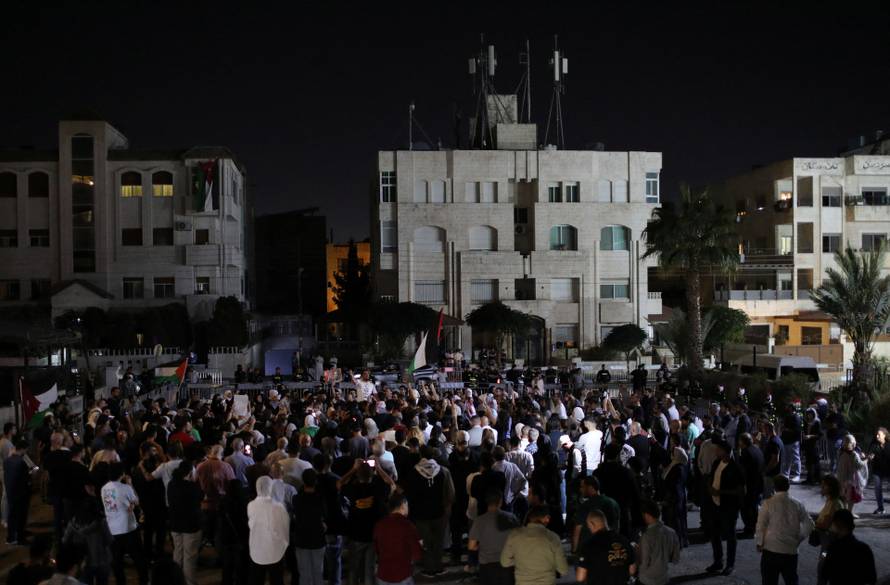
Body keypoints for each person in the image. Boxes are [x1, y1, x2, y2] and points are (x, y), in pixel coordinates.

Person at [402, 446, 455, 577]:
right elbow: (451, 493)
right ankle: (438, 566)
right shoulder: (444, 471)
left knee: (425, 541)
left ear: (421, 455)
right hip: (439, 512)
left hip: (420, 514)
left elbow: (409, 494)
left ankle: (428, 567)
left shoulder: (414, 472)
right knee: (438, 541)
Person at [755, 475, 814, 585]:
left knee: (769, 581)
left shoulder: (768, 503)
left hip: (771, 549)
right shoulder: (797, 504)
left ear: (774, 487)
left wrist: (759, 542)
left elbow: (760, 525)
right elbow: (809, 524)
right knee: (791, 580)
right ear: (788, 486)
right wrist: (799, 539)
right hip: (790, 550)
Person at [101, 462, 148, 585]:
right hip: (128, 528)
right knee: (138, 558)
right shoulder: (125, 488)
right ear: (121, 474)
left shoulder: (104, 488)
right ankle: (144, 581)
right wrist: (131, 484)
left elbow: (116, 503)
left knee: (117, 561)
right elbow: (137, 501)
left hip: (112, 529)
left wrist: (130, 504)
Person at [499, 505, 568, 585]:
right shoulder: (553, 537)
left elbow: (504, 562)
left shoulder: (514, 535)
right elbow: (563, 570)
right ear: (546, 518)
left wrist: (520, 560)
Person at [706, 439, 744, 576]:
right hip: (715, 504)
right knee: (714, 534)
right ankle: (718, 561)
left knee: (730, 535)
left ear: (725, 451)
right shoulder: (717, 463)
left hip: (729, 506)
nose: (716, 452)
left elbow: (740, 490)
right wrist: (710, 487)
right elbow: (711, 477)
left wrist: (720, 492)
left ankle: (730, 564)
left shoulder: (735, 468)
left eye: (718, 449)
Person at [468, 488, 519, 585]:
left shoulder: (479, 521)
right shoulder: (511, 518)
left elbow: (471, 546)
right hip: (508, 563)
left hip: (487, 564)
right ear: (500, 501)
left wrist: (483, 545)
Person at [575, 508, 636, 585]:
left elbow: (580, 577)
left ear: (591, 524)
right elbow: (632, 570)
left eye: (588, 526)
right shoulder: (624, 540)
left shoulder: (588, 545)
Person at [248, 475, 290, 585]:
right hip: (275, 549)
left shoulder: (251, 505)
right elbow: (284, 527)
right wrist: (284, 543)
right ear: (271, 487)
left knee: (257, 578)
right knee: (276, 579)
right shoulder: (278, 507)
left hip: (256, 548)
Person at [373, 493, 423, 585]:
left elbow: (376, 549)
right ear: (403, 505)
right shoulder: (407, 525)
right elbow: (417, 554)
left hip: (382, 575)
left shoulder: (379, 524)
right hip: (402, 575)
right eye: (407, 505)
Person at [168, 460, 203, 585]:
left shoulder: (171, 484)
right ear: (189, 472)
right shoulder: (192, 487)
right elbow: (200, 499)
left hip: (175, 524)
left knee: (178, 553)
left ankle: (176, 580)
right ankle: (190, 582)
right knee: (189, 556)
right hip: (190, 525)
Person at [64, 500, 114, 585]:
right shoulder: (101, 523)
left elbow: (65, 541)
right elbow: (109, 540)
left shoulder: (73, 523)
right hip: (101, 560)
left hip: (82, 562)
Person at [822, 509, 877, 585]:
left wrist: (824, 554)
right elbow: (871, 579)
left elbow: (824, 573)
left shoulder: (833, 548)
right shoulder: (865, 549)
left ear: (837, 525)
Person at [292, 468, 327, 585]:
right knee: (318, 571)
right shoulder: (321, 498)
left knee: (304, 572)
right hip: (318, 538)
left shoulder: (296, 499)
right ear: (315, 481)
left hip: (301, 538)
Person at [572, 476, 620, 555]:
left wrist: (574, 550)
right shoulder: (613, 503)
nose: (580, 490)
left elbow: (577, 530)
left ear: (590, 487)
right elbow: (617, 526)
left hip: (589, 551)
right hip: (609, 548)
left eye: (582, 487)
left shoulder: (585, 506)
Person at [636, 500, 680, 585]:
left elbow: (644, 564)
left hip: (648, 580)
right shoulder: (672, 532)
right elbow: (676, 559)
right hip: (664, 577)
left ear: (647, 515)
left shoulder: (647, 536)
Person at [814, 475, 846, 585]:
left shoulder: (834, 503)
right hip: (827, 541)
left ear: (831, 488)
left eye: (824, 486)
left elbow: (826, 524)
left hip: (829, 543)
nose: (821, 488)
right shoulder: (831, 501)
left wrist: (813, 524)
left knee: (823, 567)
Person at [4, 438, 33, 545]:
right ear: (23, 449)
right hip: (21, 494)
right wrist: (31, 473)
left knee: (12, 516)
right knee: (21, 516)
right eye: (26, 450)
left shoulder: (7, 461)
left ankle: (11, 537)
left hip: (10, 492)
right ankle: (21, 538)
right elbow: (26, 479)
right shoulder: (21, 463)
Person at [738, 432, 765, 538]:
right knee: (754, 507)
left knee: (747, 508)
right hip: (759, 483)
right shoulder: (757, 449)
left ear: (742, 442)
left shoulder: (746, 452)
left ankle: (750, 528)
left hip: (750, 484)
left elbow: (743, 471)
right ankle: (754, 528)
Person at [836, 434, 868, 517]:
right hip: (851, 480)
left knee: (844, 496)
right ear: (853, 444)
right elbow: (859, 465)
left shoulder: (841, 452)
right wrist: (867, 460)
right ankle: (848, 512)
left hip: (842, 478)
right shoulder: (853, 454)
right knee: (850, 498)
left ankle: (846, 512)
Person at [866, 427, 889, 515]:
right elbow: (870, 454)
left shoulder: (889, 444)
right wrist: (870, 457)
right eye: (876, 434)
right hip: (877, 469)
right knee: (877, 488)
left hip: (888, 469)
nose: (877, 436)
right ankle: (880, 508)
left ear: (884, 435)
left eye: (879, 434)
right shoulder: (874, 444)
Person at [780, 406, 803, 483]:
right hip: (786, 440)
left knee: (796, 458)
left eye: (789, 408)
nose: (787, 409)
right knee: (787, 458)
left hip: (793, 440)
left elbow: (797, 430)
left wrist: (787, 430)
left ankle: (797, 475)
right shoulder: (787, 417)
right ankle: (786, 474)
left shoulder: (796, 417)